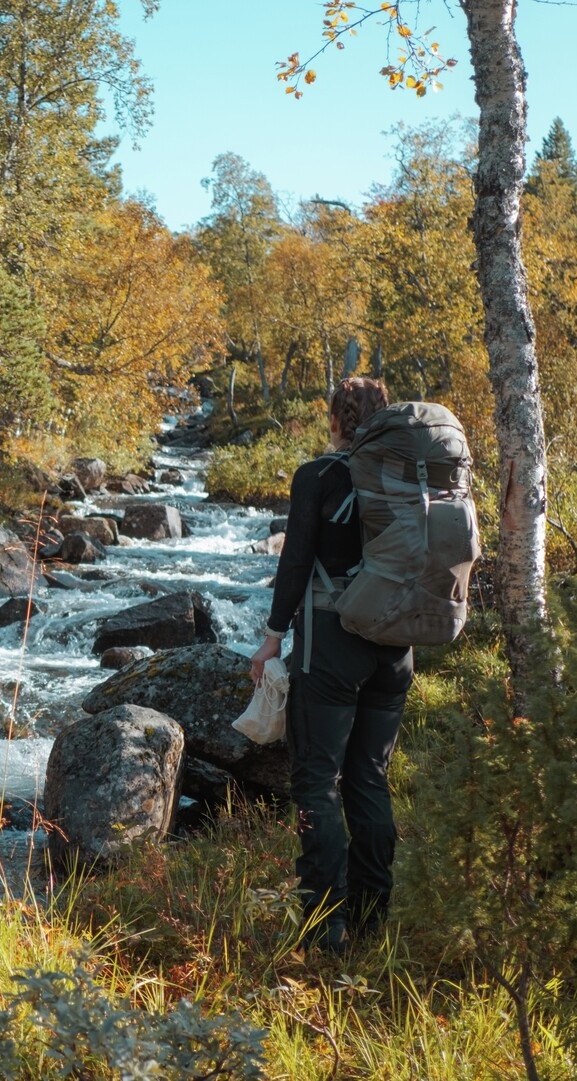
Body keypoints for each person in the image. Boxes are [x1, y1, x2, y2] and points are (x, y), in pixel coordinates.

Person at [248, 376, 412, 952]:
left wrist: (271, 640)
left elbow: (295, 564)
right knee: (369, 778)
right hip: (396, 649)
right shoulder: (411, 480)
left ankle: (325, 923)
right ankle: (373, 917)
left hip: (333, 646)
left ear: (336, 420)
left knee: (317, 780)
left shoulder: (318, 476)